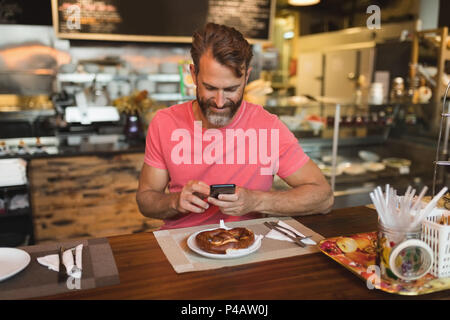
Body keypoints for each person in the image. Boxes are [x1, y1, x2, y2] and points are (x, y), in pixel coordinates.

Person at [136, 23, 333, 229]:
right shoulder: (165, 122)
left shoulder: (267, 127)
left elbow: (324, 197)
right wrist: (174, 202)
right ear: (193, 74)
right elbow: (146, 200)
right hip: (179, 245)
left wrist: (256, 201)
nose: (220, 102)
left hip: (249, 246)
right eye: (210, 88)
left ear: (246, 77)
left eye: (231, 89)